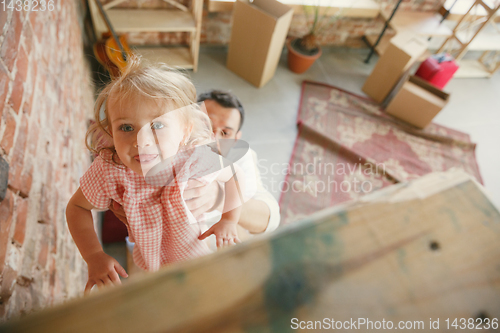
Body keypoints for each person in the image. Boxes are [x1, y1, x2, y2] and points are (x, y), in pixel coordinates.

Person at [66, 58, 246, 293]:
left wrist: (229, 220)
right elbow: (77, 208)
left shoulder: (195, 155)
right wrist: (93, 255)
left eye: (157, 126)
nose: (142, 141)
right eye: (127, 128)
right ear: (111, 131)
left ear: (185, 130)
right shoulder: (110, 169)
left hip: (197, 255)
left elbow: (234, 175)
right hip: (148, 261)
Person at [110, 90, 281, 239]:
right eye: (206, 126)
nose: (213, 138)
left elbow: (270, 219)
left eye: (225, 132)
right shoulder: (170, 145)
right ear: (188, 125)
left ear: (236, 139)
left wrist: (219, 199)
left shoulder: (243, 158)